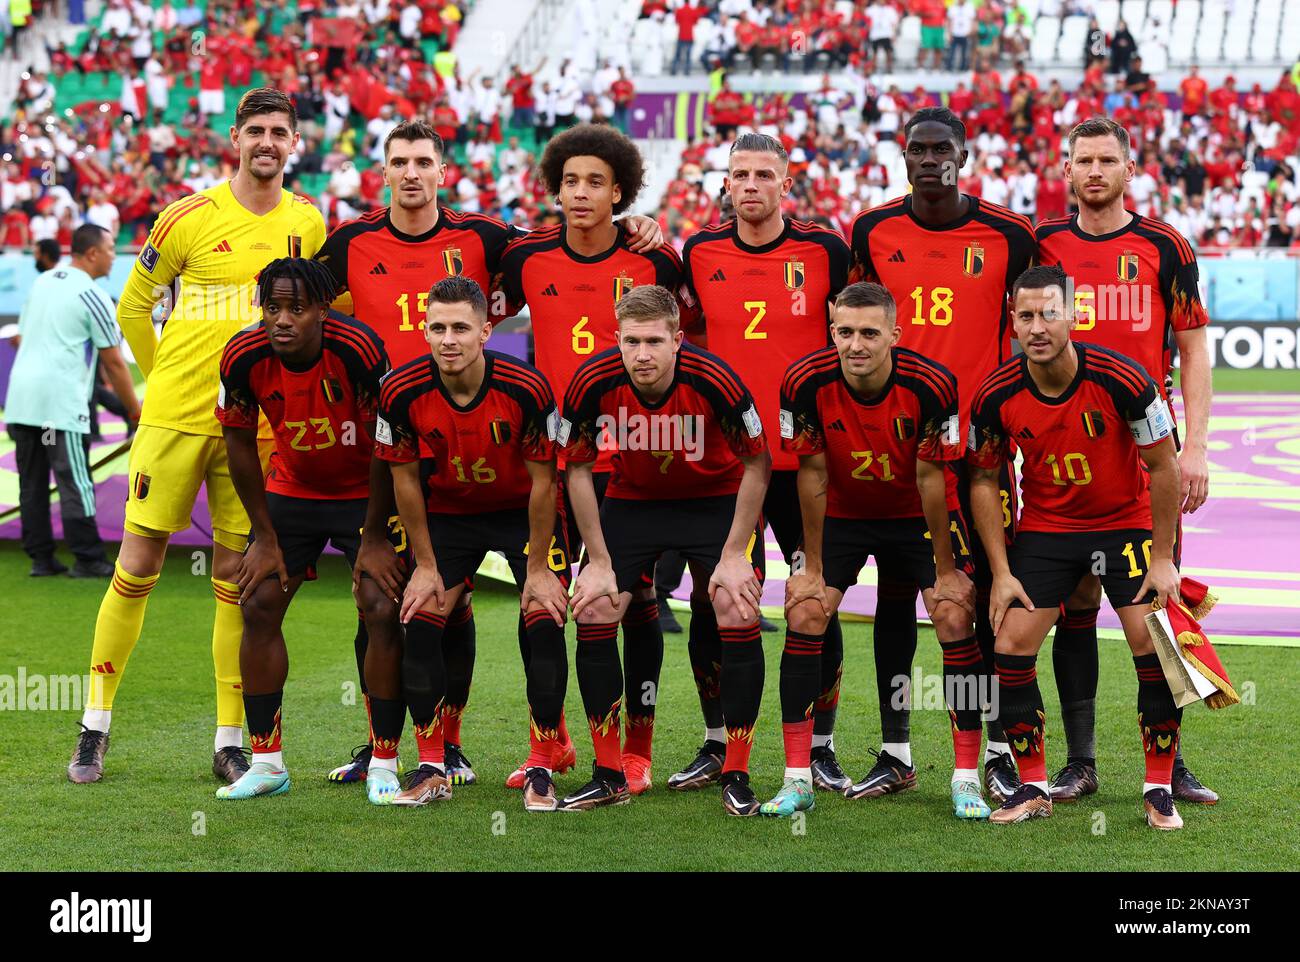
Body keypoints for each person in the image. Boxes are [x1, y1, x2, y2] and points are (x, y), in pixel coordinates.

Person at [315, 120, 664, 787]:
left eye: (424, 162)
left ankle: (596, 749)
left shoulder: (491, 239)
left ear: (442, 171)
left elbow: (592, 247)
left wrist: (635, 225)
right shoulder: (351, 241)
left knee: (619, 598)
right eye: (399, 162)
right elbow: (299, 304)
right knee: (391, 599)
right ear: (382, 171)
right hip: (408, 444)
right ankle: (391, 745)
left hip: (566, 449)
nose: (411, 173)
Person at [67, 89, 327, 786]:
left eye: (279, 131)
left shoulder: (308, 221)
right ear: (235, 138)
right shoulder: (188, 215)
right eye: (256, 130)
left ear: (293, 142)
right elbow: (133, 306)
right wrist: (163, 385)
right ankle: (94, 728)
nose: (267, 142)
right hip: (175, 420)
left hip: (257, 429)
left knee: (238, 581)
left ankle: (230, 741)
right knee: (137, 566)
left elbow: (321, 313)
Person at [850, 106, 1036, 804]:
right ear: (903, 157)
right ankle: (896, 749)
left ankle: (998, 749)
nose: (930, 160)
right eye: (917, 150)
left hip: (979, 451)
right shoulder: (872, 230)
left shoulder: (1011, 234)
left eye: (941, 149)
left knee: (982, 599)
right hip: (893, 444)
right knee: (896, 596)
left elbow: (1035, 322)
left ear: (963, 155)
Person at [496, 124, 686, 794]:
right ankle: (548, 743)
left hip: (629, 462)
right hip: (550, 462)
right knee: (541, 603)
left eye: (595, 182)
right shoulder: (526, 257)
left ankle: (638, 749)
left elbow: (690, 338)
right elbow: (475, 310)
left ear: (619, 192)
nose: (580, 193)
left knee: (635, 602)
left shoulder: (654, 261)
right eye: (570, 180)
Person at [1035, 116, 1217, 806]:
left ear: (1129, 169)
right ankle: (1080, 762)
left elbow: (1193, 348)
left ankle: (1171, 764)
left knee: (1158, 606)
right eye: (1083, 160)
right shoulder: (1043, 245)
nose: (1094, 171)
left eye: (1107, 160)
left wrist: (1194, 445)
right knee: (1076, 601)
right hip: (1064, 455)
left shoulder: (1166, 245)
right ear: (1067, 170)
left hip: (1148, 457)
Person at [968, 264, 1187, 831]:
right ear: (1012, 321)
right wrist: (1001, 572)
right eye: (1025, 316)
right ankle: (1034, 786)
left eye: (1049, 314)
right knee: (1011, 643)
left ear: (1072, 315)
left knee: (1152, 642)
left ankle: (1159, 788)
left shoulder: (1125, 378)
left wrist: (1163, 558)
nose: (1037, 327)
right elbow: (984, 480)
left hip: (1125, 525)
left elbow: (1164, 466)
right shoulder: (994, 393)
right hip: (1049, 529)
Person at [672, 132, 851, 793]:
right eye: (739, 174)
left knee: (814, 599)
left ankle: (821, 748)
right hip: (728, 464)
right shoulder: (699, 252)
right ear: (725, 183)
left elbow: (855, 331)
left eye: (763, 175)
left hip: (806, 463)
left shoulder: (826, 251)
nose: (750, 185)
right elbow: (682, 331)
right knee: (717, 600)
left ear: (786, 183)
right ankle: (718, 741)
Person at [775, 282, 986, 819]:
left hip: (916, 513)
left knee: (953, 614)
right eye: (845, 332)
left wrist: (946, 571)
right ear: (832, 331)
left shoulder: (933, 383)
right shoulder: (802, 381)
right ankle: (797, 777)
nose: (856, 344)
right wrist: (812, 568)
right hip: (843, 514)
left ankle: (966, 778)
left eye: (869, 333)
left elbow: (932, 478)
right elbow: (812, 473)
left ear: (895, 334)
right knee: (805, 609)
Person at [558, 285, 771, 814]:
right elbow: (577, 468)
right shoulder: (592, 378)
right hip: (635, 501)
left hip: (715, 499)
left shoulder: (714, 378)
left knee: (734, 604)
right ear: (617, 339)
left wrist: (734, 554)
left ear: (677, 340)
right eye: (631, 341)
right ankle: (608, 772)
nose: (642, 354)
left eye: (654, 341)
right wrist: (598, 561)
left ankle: (736, 771)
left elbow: (757, 462)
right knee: (594, 607)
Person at [376, 276, 571, 811]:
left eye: (461, 328)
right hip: (449, 514)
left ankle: (542, 763)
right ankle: (432, 766)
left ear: (486, 331)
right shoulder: (400, 390)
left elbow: (544, 483)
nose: (448, 340)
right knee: (420, 614)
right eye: (437, 328)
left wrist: (537, 569)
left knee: (543, 615)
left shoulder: (527, 386)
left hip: (521, 513)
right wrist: (425, 565)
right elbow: (404, 482)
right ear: (424, 330)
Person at [213, 258, 392, 801]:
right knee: (258, 603)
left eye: (296, 308)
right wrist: (264, 536)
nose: (282, 319)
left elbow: (389, 445)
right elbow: (239, 443)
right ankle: (267, 763)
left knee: (381, 605)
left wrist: (375, 536)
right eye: (272, 307)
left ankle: (384, 762)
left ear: (322, 310)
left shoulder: (359, 349)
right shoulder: (242, 356)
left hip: (365, 492)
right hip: (292, 490)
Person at [5, 224, 141, 580]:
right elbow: (114, 361)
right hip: (59, 405)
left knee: (32, 483)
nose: (114, 256)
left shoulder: (42, 281)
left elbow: (22, 336)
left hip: (21, 399)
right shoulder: (93, 295)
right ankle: (88, 558)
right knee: (74, 481)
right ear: (92, 254)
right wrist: (134, 409)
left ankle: (41, 559)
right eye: (110, 249)